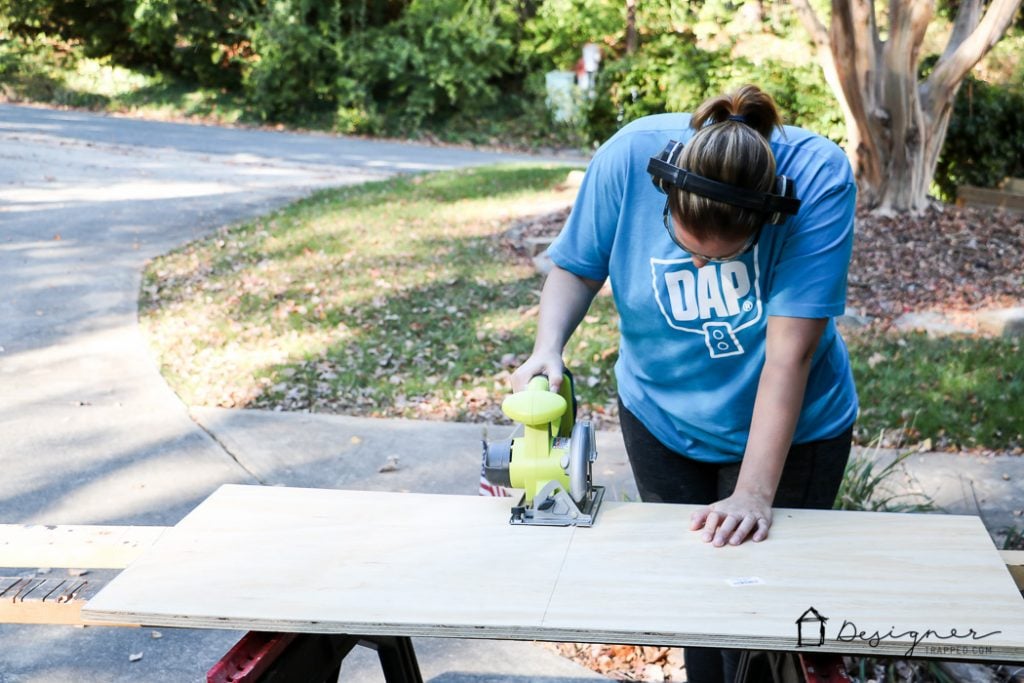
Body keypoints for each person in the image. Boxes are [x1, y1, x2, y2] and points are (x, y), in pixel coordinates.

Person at [511, 84, 858, 683]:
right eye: (682, 243)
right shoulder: (628, 156)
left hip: (793, 430)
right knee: (696, 603)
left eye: (720, 255)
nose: (699, 265)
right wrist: (548, 348)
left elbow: (789, 359)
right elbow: (577, 265)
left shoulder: (818, 177)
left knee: (766, 615)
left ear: (766, 219)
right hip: (660, 415)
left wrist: (753, 495)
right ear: (665, 190)